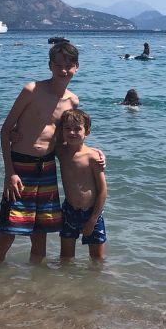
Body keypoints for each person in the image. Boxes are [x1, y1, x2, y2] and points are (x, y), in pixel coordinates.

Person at [0, 42, 81, 264]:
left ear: (76, 67)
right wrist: (9, 173)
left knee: (41, 234)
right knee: (7, 232)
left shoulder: (72, 101)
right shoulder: (32, 90)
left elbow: (64, 141)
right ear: (50, 66)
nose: (63, 70)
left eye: (68, 65)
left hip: (47, 168)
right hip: (20, 168)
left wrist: (92, 155)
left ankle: (36, 289)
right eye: (58, 65)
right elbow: (5, 130)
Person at [56, 109, 107, 259]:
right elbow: (40, 144)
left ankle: (94, 282)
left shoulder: (93, 157)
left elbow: (103, 191)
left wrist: (93, 220)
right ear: (62, 131)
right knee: (65, 258)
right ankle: (64, 283)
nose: (72, 132)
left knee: (97, 260)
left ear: (87, 132)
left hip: (92, 213)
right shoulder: (60, 151)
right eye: (67, 128)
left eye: (77, 129)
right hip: (69, 211)